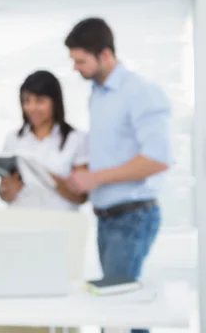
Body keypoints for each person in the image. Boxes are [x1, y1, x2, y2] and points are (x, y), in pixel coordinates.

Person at [65, 17, 171, 333]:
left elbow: (158, 158)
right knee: (115, 311)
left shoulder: (140, 92)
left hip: (132, 217)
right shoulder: (98, 94)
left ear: (106, 55)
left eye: (80, 61)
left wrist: (96, 179)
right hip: (108, 218)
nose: (75, 68)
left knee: (120, 313)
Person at [0, 70, 88, 210]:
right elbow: (4, 193)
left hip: (60, 223)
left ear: (55, 102)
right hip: (20, 220)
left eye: (40, 101)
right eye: (26, 101)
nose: (32, 108)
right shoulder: (13, 139)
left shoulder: (75, 139)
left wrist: (44, 176)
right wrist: (7, 192)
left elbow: (81, 196)